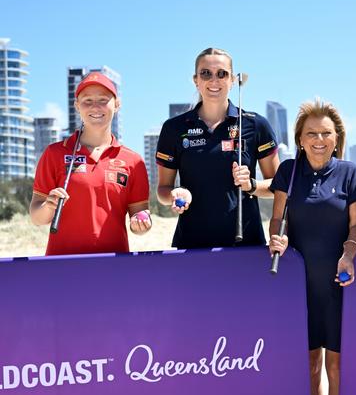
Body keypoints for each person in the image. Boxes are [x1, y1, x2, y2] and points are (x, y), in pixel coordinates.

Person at [268, 99, 356, 395]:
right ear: (300, 138)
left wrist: (349, 253)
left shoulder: (351, 173)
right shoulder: (288, 171)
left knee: (336, 364)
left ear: (337, 137)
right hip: (299, 285)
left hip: (338, 280)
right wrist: (276, 238)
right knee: (309, 364)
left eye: (326, 133)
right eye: (312, 133)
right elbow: (278, 218)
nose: (320, 139)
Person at [156, 47, 279, 249]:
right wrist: (175, 194)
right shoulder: (174, 128)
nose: (214, 80)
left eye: (222, 74)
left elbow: (279, 185)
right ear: (196, 80)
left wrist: (251, 185)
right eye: (206, 73)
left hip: (246, 245)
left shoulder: (256, 125)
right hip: (191, 246)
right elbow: (163, 190)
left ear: (232, 80)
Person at [30, 72, 151, 255]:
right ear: (77, 106)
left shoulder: (133, 161)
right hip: (61, 265)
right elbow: (37, 217)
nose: (95, 107)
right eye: (87, 101)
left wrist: (141, 224)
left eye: (103, 100)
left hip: (114, 266)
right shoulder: (54, 153)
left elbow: (139, 216)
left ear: (117, 104)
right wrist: (48, 206)